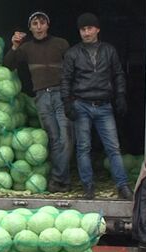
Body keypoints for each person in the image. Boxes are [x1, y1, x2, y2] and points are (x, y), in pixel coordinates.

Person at [60, 12, 134, 200]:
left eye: (89, 28)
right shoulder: (73, 53)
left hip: (104, 105)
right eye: (83, 29)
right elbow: (66, 80)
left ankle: (123, 186)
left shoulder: (109, 50)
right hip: (81, 104)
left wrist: (121, 96)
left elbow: (118, 74)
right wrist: (67, 103)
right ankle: (88, 187)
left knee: (113, 148)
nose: (86, 32)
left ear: (97, 29)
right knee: (83, 147)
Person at [3, 11, 73, 193]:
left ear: (48, 25)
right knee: (53, 139)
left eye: (42, 23)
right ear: (30, 28)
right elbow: (7, 66)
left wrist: (71, 95)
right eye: (35, 24)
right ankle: (60, 180)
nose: (39, 27)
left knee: (65, 138)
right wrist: (15, 46)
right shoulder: (27, 49)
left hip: (61, 95)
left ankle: (59, 179)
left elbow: (74, 67)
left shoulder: (61, 44)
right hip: (42, 97)